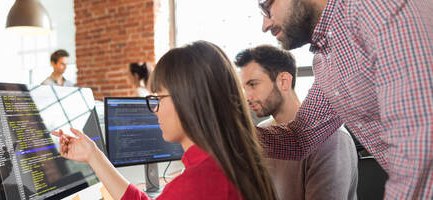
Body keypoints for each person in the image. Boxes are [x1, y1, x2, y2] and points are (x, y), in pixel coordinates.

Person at [51, 41, 278, 200]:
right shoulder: (232, 162)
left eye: (159, 97)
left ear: (189, 100)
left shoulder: (197, 184)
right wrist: (94, 155)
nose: (155, 109)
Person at [255, 0, 433, 198]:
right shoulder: (326, 59)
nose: (265, 26)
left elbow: (423, 153)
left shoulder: (380, 9)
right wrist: (227, 132)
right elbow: (301, 139)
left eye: (266, 8)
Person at [236, 44, 358, 200]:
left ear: (283, 81)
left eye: (253, 85)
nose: (247, 96)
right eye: (244, 88)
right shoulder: (263, 129)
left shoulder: (332, 138)